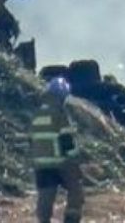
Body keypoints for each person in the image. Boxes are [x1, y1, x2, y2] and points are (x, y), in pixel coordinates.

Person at [29, 77, 84, 223]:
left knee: (45, 200)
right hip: (60, 163)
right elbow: (67, 143)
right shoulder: (60, 115)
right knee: (75, 190)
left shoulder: (36, 115)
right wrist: (77, 161)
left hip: (40, 165)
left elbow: (31, 141)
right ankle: (71, 220)